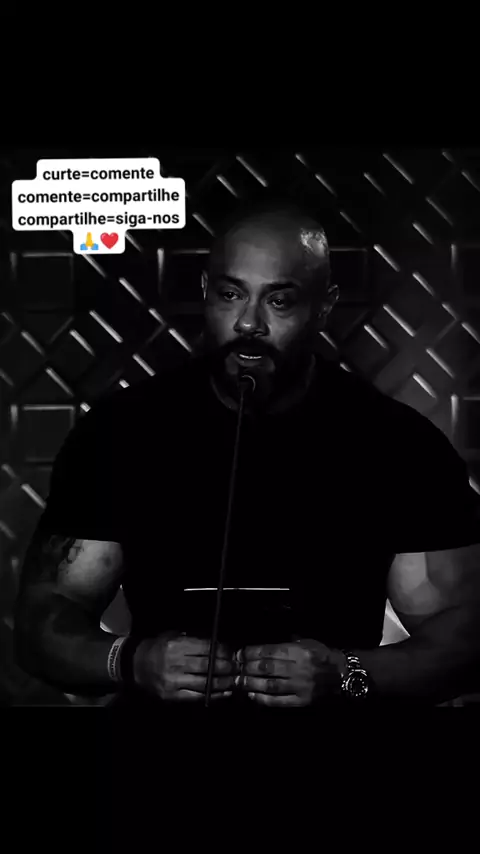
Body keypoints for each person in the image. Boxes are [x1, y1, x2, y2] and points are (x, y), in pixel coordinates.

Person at [14, 198, 480, 710]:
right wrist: (132, 662)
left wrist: (345, 673)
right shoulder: (120, 431)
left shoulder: (398, 444)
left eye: (279, 301)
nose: (248, 323)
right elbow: (43, 623)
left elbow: (463, 639)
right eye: (231, 294)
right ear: (205, 292)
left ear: (324, 306)